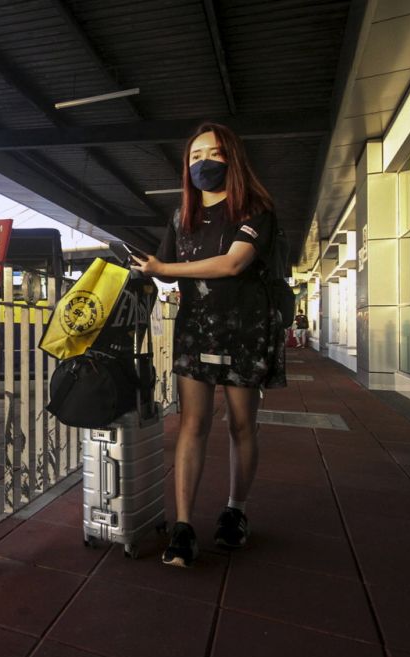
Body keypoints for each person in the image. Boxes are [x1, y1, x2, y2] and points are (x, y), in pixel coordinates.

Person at [129, 122, 286, 568]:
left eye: (213, 154)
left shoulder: (256, 209)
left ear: (232, 158)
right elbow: (163, 267)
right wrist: (147, 270)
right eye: (196, 156)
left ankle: (235, 511)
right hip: (197, 329)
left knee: (241, 424)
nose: (203, 163)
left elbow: (235, 263)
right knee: (192, 424)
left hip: (246, 329)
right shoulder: (182, 216)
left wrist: (165, 267)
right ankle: (182, 526)